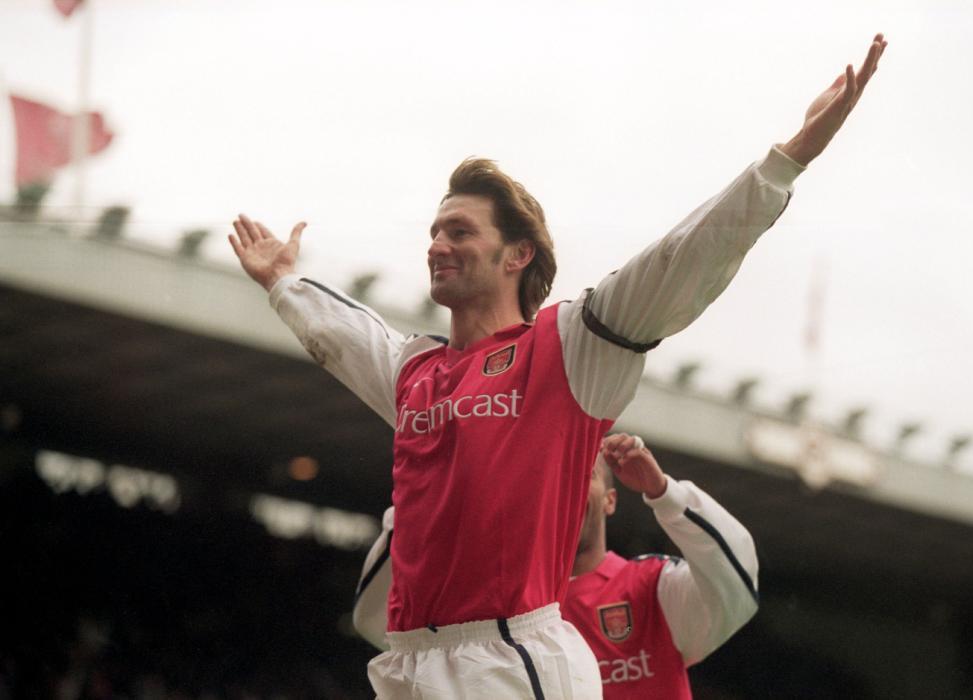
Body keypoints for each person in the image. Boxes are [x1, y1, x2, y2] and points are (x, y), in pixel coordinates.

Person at [228, 34, 886, 699]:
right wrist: (285, 283)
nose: (436, 245)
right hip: (410, 663)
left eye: (459, 231)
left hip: (509, 660)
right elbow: (346, 338)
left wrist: (784, 161)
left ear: (516, 255)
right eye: (433, 231)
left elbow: (678, 263)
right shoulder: (416, 371)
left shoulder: (570, 346)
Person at [353, 434, 759, 700]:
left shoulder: (652, 588)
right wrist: (418, 506)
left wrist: (665, 494)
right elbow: (376, 622)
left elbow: (738, 585)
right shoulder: (491, 605)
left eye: (581, 476)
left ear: (611, 500)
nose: (564, 489)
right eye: (552, 477)